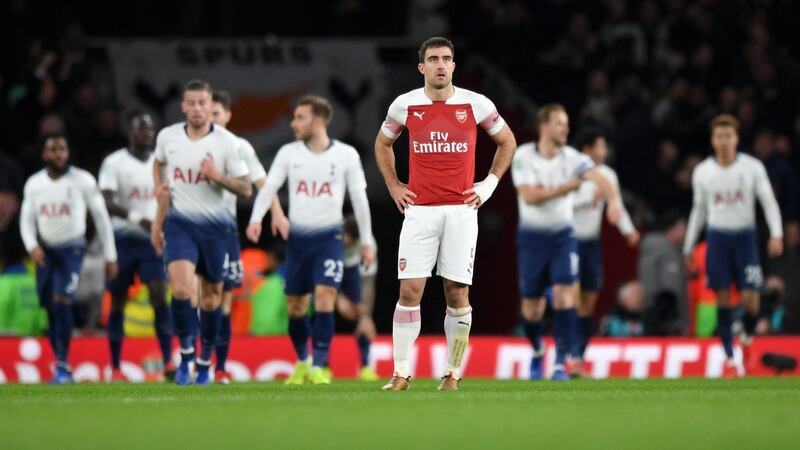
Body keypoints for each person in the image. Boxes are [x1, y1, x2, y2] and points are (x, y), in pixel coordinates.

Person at [374, 37, 517, 391]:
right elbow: (382, 144)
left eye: (447, 59)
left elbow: (508, 141)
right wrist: (394, 185)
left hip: (461, 211)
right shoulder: (405, 105)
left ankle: (452, 373)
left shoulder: (476, 104)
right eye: (434, 59)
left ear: (454, 65)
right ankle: (401, 373)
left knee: (456, 293)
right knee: (410, 291)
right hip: (419, 211)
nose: (441, 64)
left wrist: (488, 185)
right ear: (422, 66)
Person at [247, 95, 375, 385]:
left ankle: (319, 365)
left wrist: (366, 241)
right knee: (296, 306)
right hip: (299, 241)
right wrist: (256, 218)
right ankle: (303, 361)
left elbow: (359, 200)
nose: (293, 123)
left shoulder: (345, 155)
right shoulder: (288, 154)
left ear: (317, 121)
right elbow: (270, 187)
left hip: (330, 238)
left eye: (299, 117)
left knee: (326, 298)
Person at [151, 79, 252, 385]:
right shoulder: (168, 137)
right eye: (191, 103)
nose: (196, 108)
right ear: (183, 105)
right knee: (181, 290)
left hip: (216, 229)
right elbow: (158, 163)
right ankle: (184, 355)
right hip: (180, 225)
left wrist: (216, 176)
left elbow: (245, 188)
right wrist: (159, 193)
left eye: (202, 103)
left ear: (211, 105)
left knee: (210, 301)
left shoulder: (227, 143)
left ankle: (205, 360)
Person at [512, 103, 623, 381]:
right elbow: (530, 197)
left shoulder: (572, 157)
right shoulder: (524, 156)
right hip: (532, 239)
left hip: (563, 237)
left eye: (567, 123)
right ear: (544, 126)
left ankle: (561, 363)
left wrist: (614, 201)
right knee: (532, 310)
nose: (566, 128)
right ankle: (538, 350)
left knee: (565, 296)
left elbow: (601, 177)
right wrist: (566, 188)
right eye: (560, 123)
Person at [683, 114, 783, 376]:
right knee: (723, 298)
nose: (724, 141)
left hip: (745, 238)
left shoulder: (751, 168)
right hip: (718, 238)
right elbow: (698, 210)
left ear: (736, 138)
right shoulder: (703, 171)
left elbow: (768, 201)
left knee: (752, 301)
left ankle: (747, 339)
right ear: (713, 140)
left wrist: (776, 233)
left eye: (729, 136)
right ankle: (730, 359)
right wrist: (688, 247)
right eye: (719, 136)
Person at [19, 133, 118, 384]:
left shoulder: (83, 180)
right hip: (45, 252)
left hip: (72, 249)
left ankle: (63, 364)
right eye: (53, 149)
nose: (58, 154)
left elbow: (101, 217)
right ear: (44, 154)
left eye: (62, 149)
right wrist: (32, 246)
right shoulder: (34, 184)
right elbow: (26, 220)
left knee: (62, 300)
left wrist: (110, 256)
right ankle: (60, 362)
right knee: (51, 306)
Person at [209, 90, 288, 384]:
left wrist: (277, 214)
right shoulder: (188, 144)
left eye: (217, 113)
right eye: (209, 113)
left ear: (228, 115)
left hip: (223, 231)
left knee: (223, 300)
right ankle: (193, 359)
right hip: (192, 231)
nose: (212, 119)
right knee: (195, 297)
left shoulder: (238, 146)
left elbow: (262, 183)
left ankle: (219, 367)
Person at [98, 113, 174, 382]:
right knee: (118, 300)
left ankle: (167, 361)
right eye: (141, 130)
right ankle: (116, 367)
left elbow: (171, 196)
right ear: (129, 133)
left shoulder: (161, 164)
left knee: (158, 292)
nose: (147, 134)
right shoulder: (114, 162)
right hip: (122, 239)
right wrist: (135, 218)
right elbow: (104, 200)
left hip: (151, 240)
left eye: (151, 129)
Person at [571, 129, 638, 375]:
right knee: (572, 300)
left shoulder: (608, 175)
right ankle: (563, 355)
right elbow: (559, 205)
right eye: (600, 146)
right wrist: (589, 194)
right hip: (569, 242)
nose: (605, 151)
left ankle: (578, 358)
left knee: (588, 304)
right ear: (587, 149)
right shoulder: (571, 170)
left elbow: (616, 205)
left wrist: (628, 231)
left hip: (591, 245)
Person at [335, 215, 379, 381]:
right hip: (331, 270)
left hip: (353, 272)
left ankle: (366, 366)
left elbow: (368, 282)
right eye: (346, 239)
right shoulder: (332, 234)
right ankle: (321, 365)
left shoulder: (368, 246)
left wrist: (365, 315)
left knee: (362, 317)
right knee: (323, 309)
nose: (347, 244)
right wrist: (337, 298)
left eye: (352, 242)